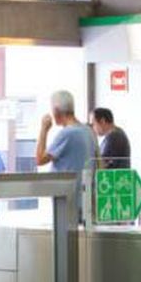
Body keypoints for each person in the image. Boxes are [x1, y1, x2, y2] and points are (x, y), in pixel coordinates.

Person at [36, 89, 95, 223]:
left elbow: (39, 159)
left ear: (56, 110)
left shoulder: (67, 133)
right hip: (85, 199)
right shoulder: (88, 131)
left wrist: (44, 129)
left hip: (69, 200)